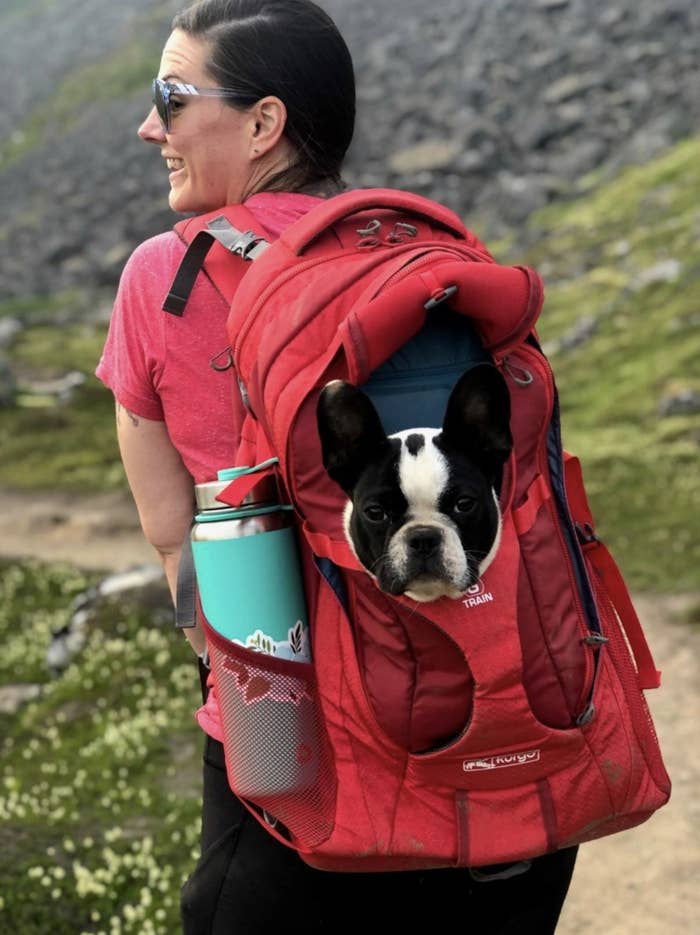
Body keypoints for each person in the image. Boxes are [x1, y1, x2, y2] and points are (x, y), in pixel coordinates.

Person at [96, 1, 578, 931]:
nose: (149, 125)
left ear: (265, 122)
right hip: (507, 753)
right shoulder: (430, 261)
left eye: (170, 95)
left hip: (293, 764)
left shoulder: (163, 276)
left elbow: (177, 550)